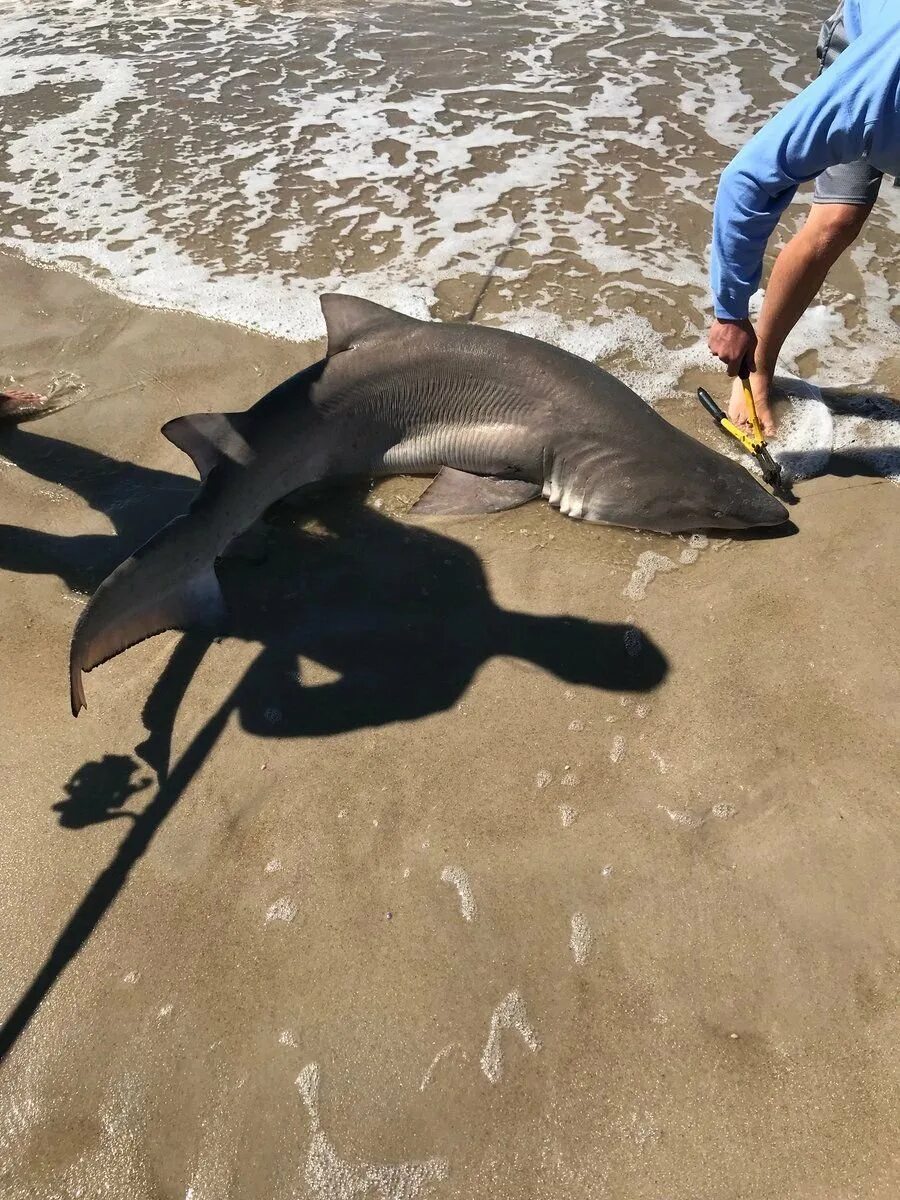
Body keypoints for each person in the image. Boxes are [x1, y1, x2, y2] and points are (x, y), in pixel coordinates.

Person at [707, 1, 900, 435]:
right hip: (873, 48)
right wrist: (730, 314)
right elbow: (748, 180)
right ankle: (759, 373)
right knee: (837, 221)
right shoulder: (868, 100)